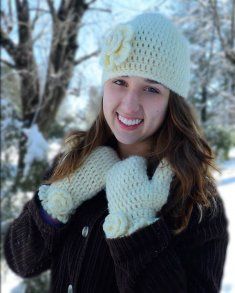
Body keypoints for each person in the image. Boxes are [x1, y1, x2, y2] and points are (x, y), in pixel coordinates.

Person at [4, 12, 229, 293]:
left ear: (173, 102)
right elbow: (21, 260)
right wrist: (61, 198)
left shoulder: (196, 199)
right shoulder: (74, 161)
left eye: (150, 88)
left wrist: (136, 225)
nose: (130, 105)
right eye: (120, 81)